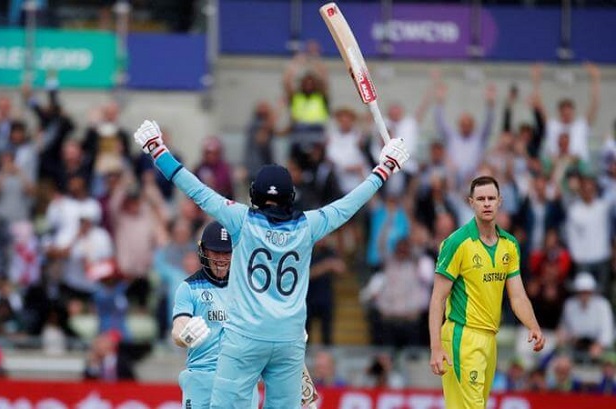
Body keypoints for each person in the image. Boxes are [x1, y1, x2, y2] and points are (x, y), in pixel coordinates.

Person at [134, 119, 409, 408]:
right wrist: (384, 168)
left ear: (254, 195)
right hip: (289, 339)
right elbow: (348, 205)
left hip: (245, 338)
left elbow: (197, 191)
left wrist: (158, 151)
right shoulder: (309, 225)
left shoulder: (241, 220)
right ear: (291, 197)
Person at [429, 175, 545, 409]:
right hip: (463, 336)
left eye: (491, 198)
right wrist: (435, 348)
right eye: (481, 199)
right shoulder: (457, 243)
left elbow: (518, 295)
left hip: (490, 338)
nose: (487, 203)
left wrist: (533, 325)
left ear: (500, 201)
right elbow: (438, 298)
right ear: (471, 202)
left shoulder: (509, 244)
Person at [171, 221, 260, 408]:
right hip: (202, 378)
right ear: (203, 251)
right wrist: (184, 336)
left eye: (226, 252)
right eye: (215, 252)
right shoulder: (189, 288)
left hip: (240, 378)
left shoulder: (249, 288)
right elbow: (179, 327)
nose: (221, 258)